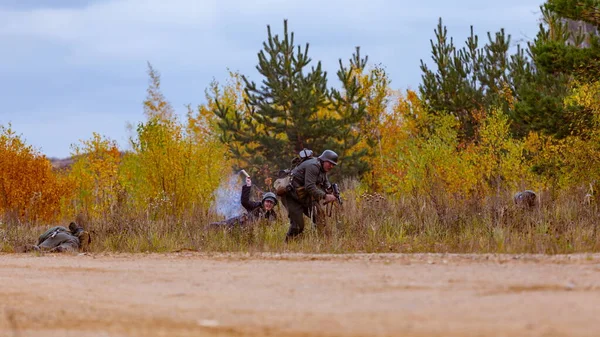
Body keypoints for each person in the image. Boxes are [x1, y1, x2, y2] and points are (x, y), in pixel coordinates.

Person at [282, 149, 338, 242]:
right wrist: (325, 196)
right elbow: (310, 186)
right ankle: (286, 245)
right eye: (330, 163)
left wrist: (330, 191)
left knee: (320, 219)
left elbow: (325, 182)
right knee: (298, 226)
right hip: (292, 197)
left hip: (305, 197)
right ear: (324, 160)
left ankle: (321, 243)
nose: (331, 166)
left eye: (333, 165)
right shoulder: (313, 166)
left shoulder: (322, 168)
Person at [209, 176, 278, 229]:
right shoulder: (256, 206)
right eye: (267, 201)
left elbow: (273, 228)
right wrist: (248, 186)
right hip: (236, 223)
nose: (269, 204)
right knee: (214, 227)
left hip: (245, 233)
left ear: (273, 205)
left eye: (271, 203)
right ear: (263, 202)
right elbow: (244, 202)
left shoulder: (273, 216)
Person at [25, 222, 91, 252]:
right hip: (72, 240)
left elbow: (42, 237)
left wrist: (38, 243)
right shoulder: (75, 237)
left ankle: (36, 248)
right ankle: (61, 248)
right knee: (68, 247)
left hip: (56, 235)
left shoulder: (60, 228)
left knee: (41, 248)